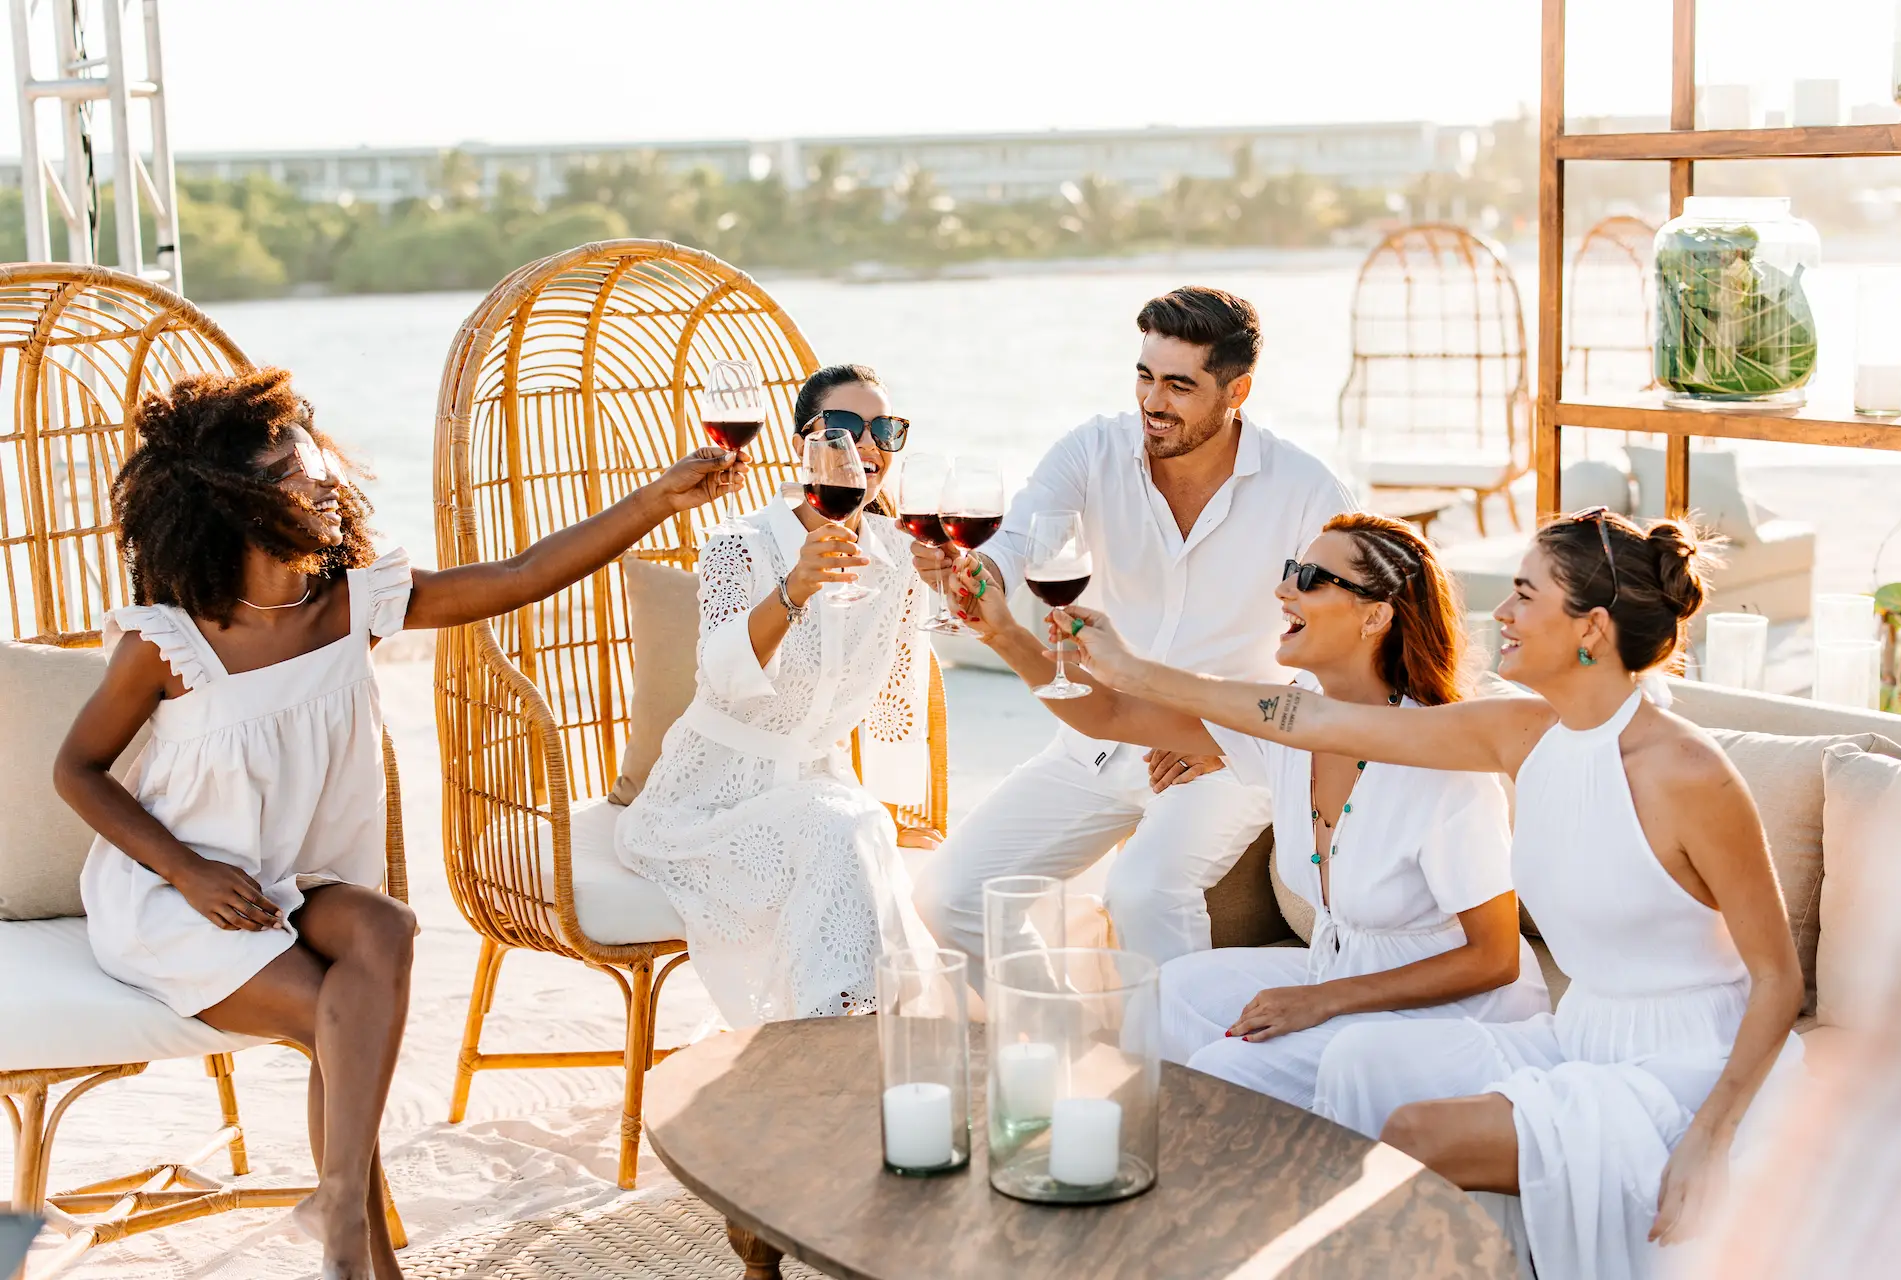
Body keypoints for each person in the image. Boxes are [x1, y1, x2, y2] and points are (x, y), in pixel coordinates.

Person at [54, 368, 744, 1280]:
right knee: (348, 1019)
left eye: (319, 463)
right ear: (238, 503)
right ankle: (361, 1247)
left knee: (386, 926)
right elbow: (77, 771)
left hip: (290, 890)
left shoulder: (354, 607)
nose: (326, 483)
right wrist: (186, 871)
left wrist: (656, 500)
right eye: (299, 475)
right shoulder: (172, 642)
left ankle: (342, 1215)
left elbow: (525, 576)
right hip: (176, 902)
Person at [1053, 508, 1803, 1280]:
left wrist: (1712, 1134)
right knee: (1363, 1064)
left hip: (1688, 1064)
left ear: (1592, 629)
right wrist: (1128, 669)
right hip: (1578, 1037)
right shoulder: (1518, 734)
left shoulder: (1690, 773)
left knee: (1416, 1133)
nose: (1500, 614)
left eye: (1523, 595)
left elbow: (1779, 978)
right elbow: (1309, 719)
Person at [962, 512, 1547, 1109]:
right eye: (1292, 568)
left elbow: (1495, 958)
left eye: (1312, 577)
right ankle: (1170, 1153)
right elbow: (1111, 716)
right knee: (1168, 991)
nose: (1283, 588)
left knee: (1228, 1065)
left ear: (1376, 615)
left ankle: (1245, 1178)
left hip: (1452, 1012)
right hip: (1337, 971)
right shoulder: (1294, 718)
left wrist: (1323, 1000)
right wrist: (1002, 632)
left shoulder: (1440, 767)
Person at [913, 286, 1352, 983]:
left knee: (1144, 892)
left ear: (1236, 390)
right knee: (948, 896)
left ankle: (1189, 1077)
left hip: (1227, 753)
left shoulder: (1307, 492)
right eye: (1145, 376)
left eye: (1180, 385)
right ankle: (1056, 1037)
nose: (1154, 401)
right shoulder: (1092, 451)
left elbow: (1346, 655)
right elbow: (1016, 544)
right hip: (1099, 737)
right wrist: (968, 575)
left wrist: (1224, 738)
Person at [614, 364, 936, 1027]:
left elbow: (900, 685)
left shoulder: (900, 556)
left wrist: (964, 590)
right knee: (850, 830)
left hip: (819, 791)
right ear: (802, 446)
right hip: (707, 802)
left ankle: (839, 1036)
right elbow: (724, 676)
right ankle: (839, 1039)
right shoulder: (744, 544)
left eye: (884, 430)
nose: (865, 448)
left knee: (856, 826)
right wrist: (796, 588)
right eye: (843, 428)